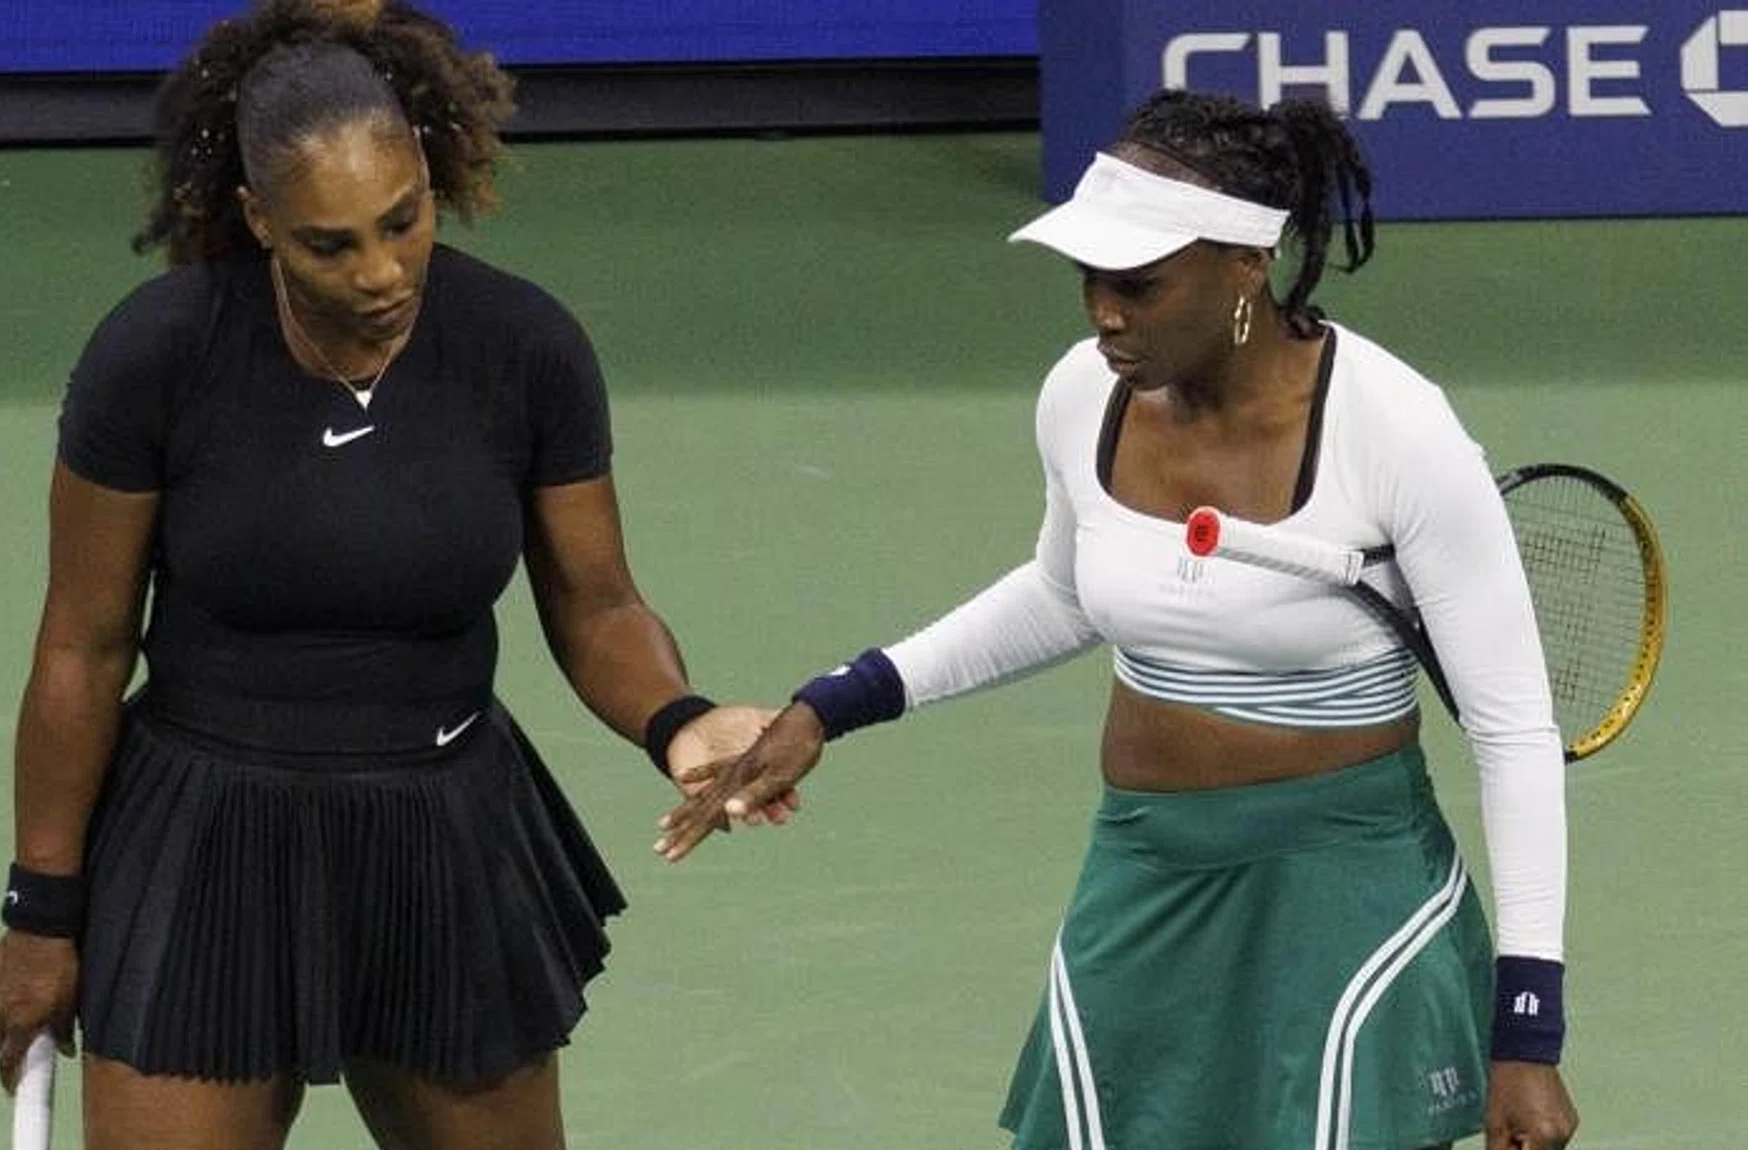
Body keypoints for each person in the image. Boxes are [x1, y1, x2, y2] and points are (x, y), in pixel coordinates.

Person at [656, 89, 1580, 1150]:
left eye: (1138, 285)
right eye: (1090, 279)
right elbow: (1065, 590)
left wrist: (1529, 1032)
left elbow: (1515, 736)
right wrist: (832, 705)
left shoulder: (1398, 434)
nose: (1103, 312)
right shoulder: (1081, 396)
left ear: (1247, 263)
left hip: (1343, 883)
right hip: (1142, 870)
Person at [0, 2, 791, 1147]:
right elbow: (83, 642)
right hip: (209, 840)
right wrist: (41, 912)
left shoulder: (523, 347)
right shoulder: (156, 354)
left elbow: (597, 603)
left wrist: (679, 721)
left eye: (402, 223)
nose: (380, 270)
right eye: (330, 243)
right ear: (259, 219)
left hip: (445, 838)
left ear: (427, 175)